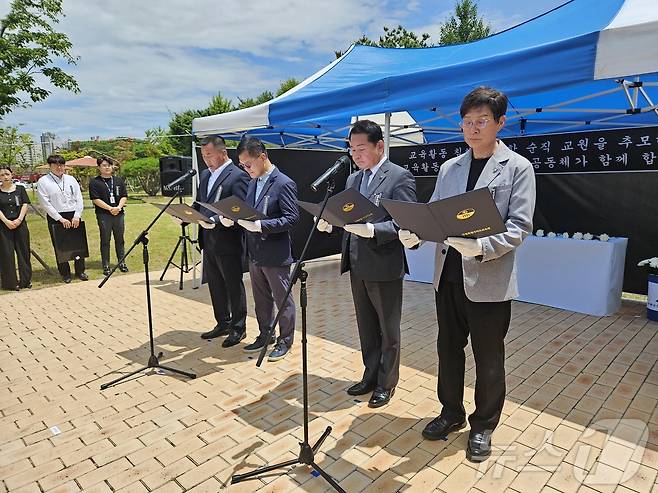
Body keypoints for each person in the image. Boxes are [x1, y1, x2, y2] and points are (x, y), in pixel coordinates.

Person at [398, 87, 536, 462]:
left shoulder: (518, 168)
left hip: (489, 278)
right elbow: (434, 214)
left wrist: (483, 247)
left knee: (488, 356)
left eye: (482, 122)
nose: (473, 129)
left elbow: (520, 226)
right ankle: (451, 413)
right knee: (448, 349)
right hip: (448, 277)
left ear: (500, 123)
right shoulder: (450, 168)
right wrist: (413, 234)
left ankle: (484, 425)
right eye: (467, 122)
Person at [317, 120, 416, 408]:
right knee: (366, 326)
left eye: (361, 148)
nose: (356, 154)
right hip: (357, 262)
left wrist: (375, 230)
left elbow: (405, 222)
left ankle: (386, 383)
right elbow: (347, 214)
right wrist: (330, 222)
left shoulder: (399, 177)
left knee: (388, 328)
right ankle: (370, 374)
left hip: (384, 263)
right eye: (352, 149)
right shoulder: (353, 180)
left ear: (379, 146)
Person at [233, 136, 299, 361]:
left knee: (282, 299)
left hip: (275, 253)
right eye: (242, 166)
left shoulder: (283, 183)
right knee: (261, 298)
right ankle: (265, 334)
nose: (246, 169)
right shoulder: (252, 182)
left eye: (248, 164)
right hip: (255, 252)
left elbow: (291, 218)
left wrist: (261, 225)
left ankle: (285, 340)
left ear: (262, 157)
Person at [192, 136, 250, 347]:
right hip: (208, 240)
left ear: (223, 153)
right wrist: (188, 215)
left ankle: (238, 327)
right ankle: (223, 322)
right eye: (203, 156)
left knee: (233, 285)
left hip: (228, 240)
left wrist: (216, 220)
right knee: (215, 285)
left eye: (209, 155)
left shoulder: (238, 176)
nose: (206, 160)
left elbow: (241, 209)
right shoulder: (206, 175)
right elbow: (200, 203)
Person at [37, 154, 88, 283]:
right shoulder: (43, 181)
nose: (59, 167)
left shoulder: (71, 179)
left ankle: (80, 271)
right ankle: (65, 273)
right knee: (60, 246)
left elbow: (79, 198)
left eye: (61, 165)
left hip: (73, 215)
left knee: (78, 245)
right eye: (56, 165)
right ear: (50, 166)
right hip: (57, 216)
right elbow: (45, 203)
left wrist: (77, 215)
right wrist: (60, 219)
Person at [89, 157, 128, 275]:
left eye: (109, 165)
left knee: (120, 239)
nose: (107, 167)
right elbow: (95, 199)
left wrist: (119, 207)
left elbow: (124, 196)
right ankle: (106, 264)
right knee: (105, 240)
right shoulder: (95, 182)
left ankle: (122, 262)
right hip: (104, 215)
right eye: (104, 165)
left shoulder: (118, 181)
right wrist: (110, 208)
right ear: (99, 168)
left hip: (119, 214)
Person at [0, 165, 32, 290]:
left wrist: (19, 219)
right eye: (2, 175)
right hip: (4, 226)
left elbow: (25, 204)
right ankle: (10, 283)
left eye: (7, 174)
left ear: (12, 175)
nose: (5, 177)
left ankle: (25, 280)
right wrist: (6, 221)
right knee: (6, 254)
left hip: (20, 225)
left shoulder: (20, 189)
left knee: (23, 252)